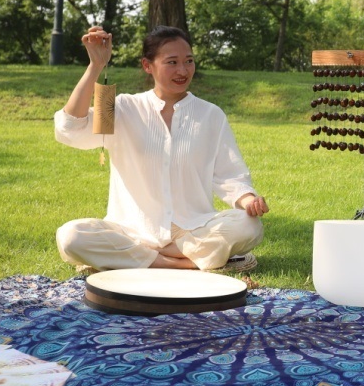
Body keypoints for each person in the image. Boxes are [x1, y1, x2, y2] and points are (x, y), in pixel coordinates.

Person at [54, 25, 268, 273]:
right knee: (71, 236)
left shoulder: (211, 114)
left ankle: (144, 259)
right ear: (148, 65)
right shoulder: (123, 106)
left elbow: (230, 175)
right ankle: (175, 263)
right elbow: (70, 128)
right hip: (132, 231)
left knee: (248, 225)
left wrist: (248, 200)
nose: (183, 70)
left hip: (192, 229)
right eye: (172, 62)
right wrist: (96, 66)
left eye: (189, 61)